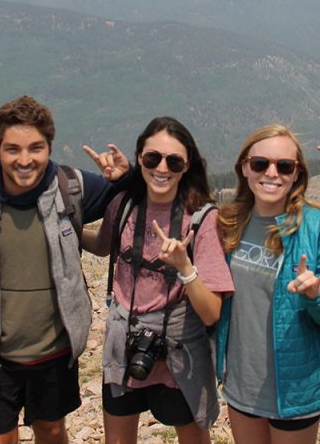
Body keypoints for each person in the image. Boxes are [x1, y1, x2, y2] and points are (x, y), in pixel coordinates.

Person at [0, 95, 131, 444]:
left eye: (35, 148)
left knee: (53, 430)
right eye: (13, 149)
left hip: (54, 348)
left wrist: (124, 180)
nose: (25, 160)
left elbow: (130, 199)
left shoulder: (71, 187)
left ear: (49, 147)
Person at [89, 117, 233, 444]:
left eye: (174, 161)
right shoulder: (124, 204)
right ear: (139, 158)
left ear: (187, 167)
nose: (162, 168)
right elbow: (101, 245)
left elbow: (211, 313)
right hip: (125, 344)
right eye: (152, 158)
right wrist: (62, 230)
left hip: (178, 351)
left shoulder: (202, 219)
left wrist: (185, 266)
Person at [214, 124, 320, 444]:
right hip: (241, 383)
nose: (271, 173)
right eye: (260, 164)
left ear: (296, 175)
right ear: (245, 168)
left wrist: (316, 296)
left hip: (296, 387)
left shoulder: (318, 228)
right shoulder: (230, 222)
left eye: (284, 166)